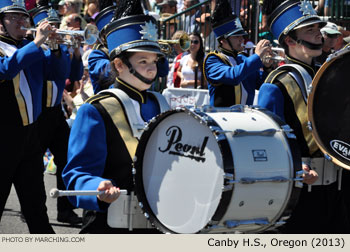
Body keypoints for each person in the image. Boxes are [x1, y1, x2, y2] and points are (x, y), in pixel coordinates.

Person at [62, 0, 170, 233]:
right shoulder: (97, 110)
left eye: (153, 61)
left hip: (159, 222)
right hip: (109, 224)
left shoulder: (161, 103)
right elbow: (75, 175)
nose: (152, 69)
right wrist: (96, 186)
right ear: (119, 64)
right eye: (142, 62)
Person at [258, 0, 349, 233]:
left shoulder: (328, 74)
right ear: (290, 40)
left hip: (337, 189)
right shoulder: (276, 83)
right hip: (302, 194)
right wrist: (293, 164)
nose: (318, 35)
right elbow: (268, 139)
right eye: (310, 30)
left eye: (318, 29)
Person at [0, 0, 70, 233]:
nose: (22, 22)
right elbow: (8, 69)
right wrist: (38, 43)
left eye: (24, 17)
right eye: (14, 17)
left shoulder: (31, 46)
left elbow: (58, 73)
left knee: (36, 207)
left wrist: (57, 48)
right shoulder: (12, 48)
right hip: (3, 137)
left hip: (29, 136)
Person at [31, 1, 84, 225]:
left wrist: (76, 51)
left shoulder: (60, 49)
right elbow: (49, 71)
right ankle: (33, 210)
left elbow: (74, 74)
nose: (54, 30)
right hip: (37, 114)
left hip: (55, 113)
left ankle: (66, 209)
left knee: (67, 159)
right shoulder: (33, 49)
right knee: (30, 166)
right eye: (49, 26)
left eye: (56, 25)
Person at [204, 0, 272, 107]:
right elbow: (234, 76)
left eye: (241, 35)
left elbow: (262, 84)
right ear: (223, 40)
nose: (241, 39)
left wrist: (268, 67)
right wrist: (257, 56)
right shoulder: (212, 60)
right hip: (223, 119)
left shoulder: (243, 59)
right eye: (236, 36)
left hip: (246, 119)